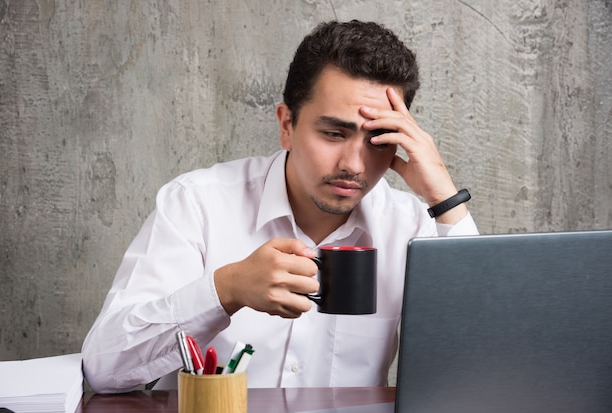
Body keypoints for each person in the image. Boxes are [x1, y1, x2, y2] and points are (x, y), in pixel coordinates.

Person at [82, 20, 478, 393]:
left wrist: (445, 198)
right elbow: (104, 370)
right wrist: (226, 289)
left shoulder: (413, 227)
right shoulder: (197, 203)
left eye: (378, 140)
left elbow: (480, 368)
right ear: (286, 125)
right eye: (333, 133)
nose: (353, 166)